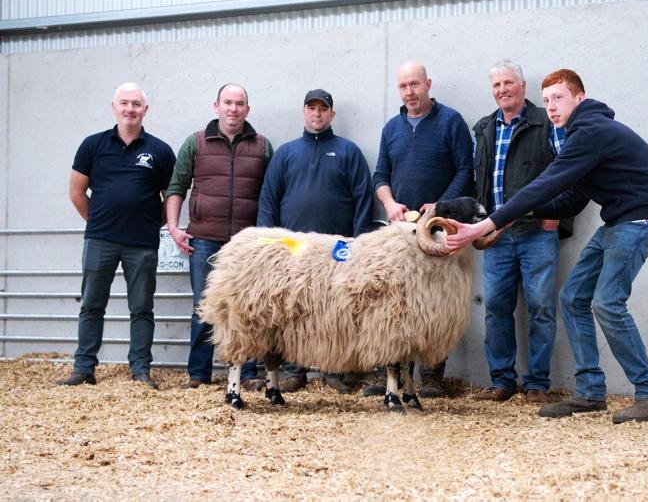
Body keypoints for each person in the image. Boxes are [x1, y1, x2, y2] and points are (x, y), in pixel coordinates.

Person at [446, 69, 648, 424]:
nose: (551, 106)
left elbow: (547, 184)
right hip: (619, 220)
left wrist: (486, 224)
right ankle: (590, 393)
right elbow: (571, 200)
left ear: (579, 98)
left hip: (641, 219)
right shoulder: (579, 136)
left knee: (608, 302)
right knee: (572, 297)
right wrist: (513, 217)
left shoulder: (590, 131)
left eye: (559, 98)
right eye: (547, 100)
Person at [55, 83, 175, 389]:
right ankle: (84, 368)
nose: (129, 109)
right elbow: (76, 192)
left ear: (145, 110)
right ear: (114, 107)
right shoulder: (92, 145)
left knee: (142, 308)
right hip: (100, 240)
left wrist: (151, 223)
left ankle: (140, 370)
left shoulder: (160, 151)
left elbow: (171, 197)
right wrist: (98, 221)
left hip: (142, 244)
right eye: (124, 103)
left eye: (136, 104)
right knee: (92, 305)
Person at [469, 60, 574, 404]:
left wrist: (556, 217)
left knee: (541, 307)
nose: (502, 90)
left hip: (536, 233)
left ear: (523, 87)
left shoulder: (546, 122)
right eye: (497, 85)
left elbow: (570, 170)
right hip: (496, 236)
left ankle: (537, 384)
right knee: (495, 308)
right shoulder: (484, 128)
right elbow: (476, 179)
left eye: (508, 83)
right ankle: (502, 381)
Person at [368, 61, 474, 398]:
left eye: (414, 84)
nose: (409, 92)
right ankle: (393, 374)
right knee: (395, 302)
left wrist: (440, 205)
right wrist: (389, 204)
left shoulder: (451, 121)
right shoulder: (391, 128)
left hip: (439, 229)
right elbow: (380, 175)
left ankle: (432, 375)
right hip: (400, 231)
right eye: (403, 86)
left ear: (428, 84)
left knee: (435, 302)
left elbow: (466, 170)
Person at [257, 88, 374, 393]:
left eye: (323, 108)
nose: (317, 113)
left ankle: (333, 370)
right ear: (303, 112)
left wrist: (358, 246)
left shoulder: (348, 151)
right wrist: (269, 246)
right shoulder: (286, 153)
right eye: (312, 108)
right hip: (293, 250)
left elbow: (364, 199)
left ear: (331, 114)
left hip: (337, 251)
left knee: (333, 310)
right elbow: (268, 199)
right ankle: (294, 371)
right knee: (292, 308)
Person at [165, 83, 273, 391]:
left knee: (249, 306)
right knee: (204, 305)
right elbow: (176, 187)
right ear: (216, 106)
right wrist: (173, 227)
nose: (233, 109)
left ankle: (248, 373)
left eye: (239, 103)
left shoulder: (262, 146)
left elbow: (271, 193)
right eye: (227, 102)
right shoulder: (196, 143)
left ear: (247, 109)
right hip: (204, 239)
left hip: (247, 245)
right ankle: (198, 373)